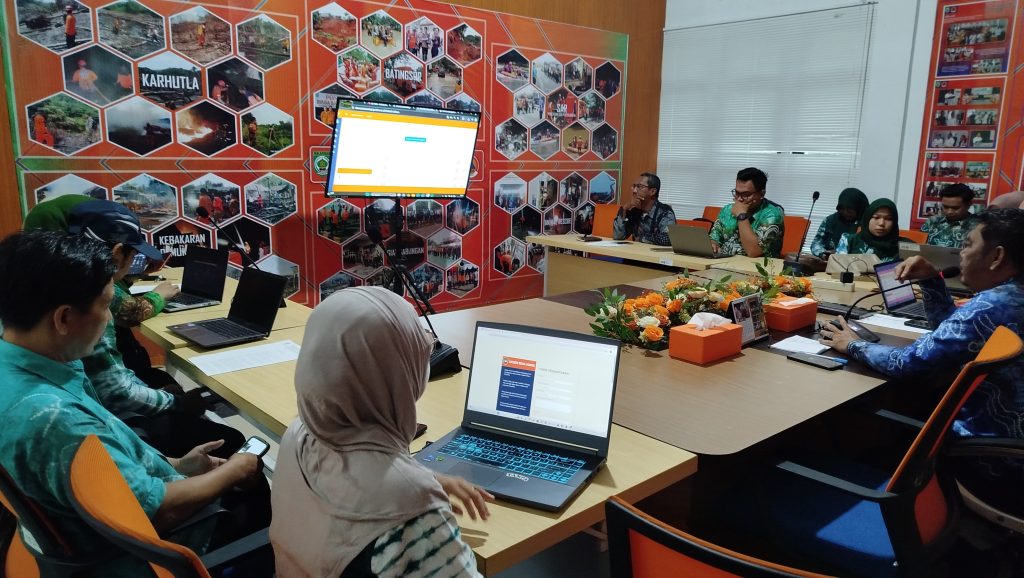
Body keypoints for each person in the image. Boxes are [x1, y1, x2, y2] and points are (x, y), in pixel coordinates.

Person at [0, 230, 266, 577]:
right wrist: (234, 470)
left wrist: (178, 465)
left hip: (78, 533)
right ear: (63, 319)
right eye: (105, 307)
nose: (110, 319)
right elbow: (153, 513)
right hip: (144, 553)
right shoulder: (55, 420)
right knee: (256, 493)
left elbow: (107, 471)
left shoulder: (22, 372)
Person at [271, 287, 491, 577]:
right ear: (398, 371)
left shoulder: (298, 433)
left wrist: (425, 475)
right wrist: (417, 486)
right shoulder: (409, 503)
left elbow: (352, 480)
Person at [821, 208, 1024, 515]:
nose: (961, 253)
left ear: (996, 257)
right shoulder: (1013, 296)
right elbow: (954, 336)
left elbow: (910, 363)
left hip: (991, 464)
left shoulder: (992, 306)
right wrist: (931, 280)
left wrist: (852, 345)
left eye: (968, 245)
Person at [66, 202, 247, 459]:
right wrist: (177, 403)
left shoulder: (65, 280)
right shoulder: (91, 302)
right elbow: (116, 391)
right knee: (233, 440)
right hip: (113, 423)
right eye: (133, 255)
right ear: (117, 254)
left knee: (164, 383)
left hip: (91, 412)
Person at [709, 167, 785, 257]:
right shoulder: (727, 210)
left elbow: (753, 251)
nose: (739, 199)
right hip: (725, 262)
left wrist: (741, 215)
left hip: (755, 265)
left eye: (745, 194)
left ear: (761, 194)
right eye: (737, 193)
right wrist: (713, 244)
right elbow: (714, 238)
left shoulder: (772, 215)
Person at [612, 172, 676, 245]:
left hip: (654, 252)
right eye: (634, 186)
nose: (634, 191)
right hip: (636, 251)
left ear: (652, 191)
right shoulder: (635, 211)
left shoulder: (664, 212)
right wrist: (624, 209)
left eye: (639, 187)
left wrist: (641, 238)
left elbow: (668, 238)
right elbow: (618, 236)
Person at [809, 187, 869, 259]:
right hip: (829, 261)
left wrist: (840, 253)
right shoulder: (830, 220)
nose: (845, 212)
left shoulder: (868, 223)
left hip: (856, 262)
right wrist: (823, 253)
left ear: (859, 209)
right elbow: (816, 243)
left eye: (849, 210)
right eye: (842, 209)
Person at [835, 198, 900, 262]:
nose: (881, 223)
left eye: (888, 219)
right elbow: (837, 266)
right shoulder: (849, 241)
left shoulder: (902, 246)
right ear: (867, 219)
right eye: (876, 217)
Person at [921, 183, 979, 248]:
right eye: (945, 207)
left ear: (969, 204)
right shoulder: (932, 221)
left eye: (955, 208)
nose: (949, 212)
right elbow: (918, 245)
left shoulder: (978, 226)